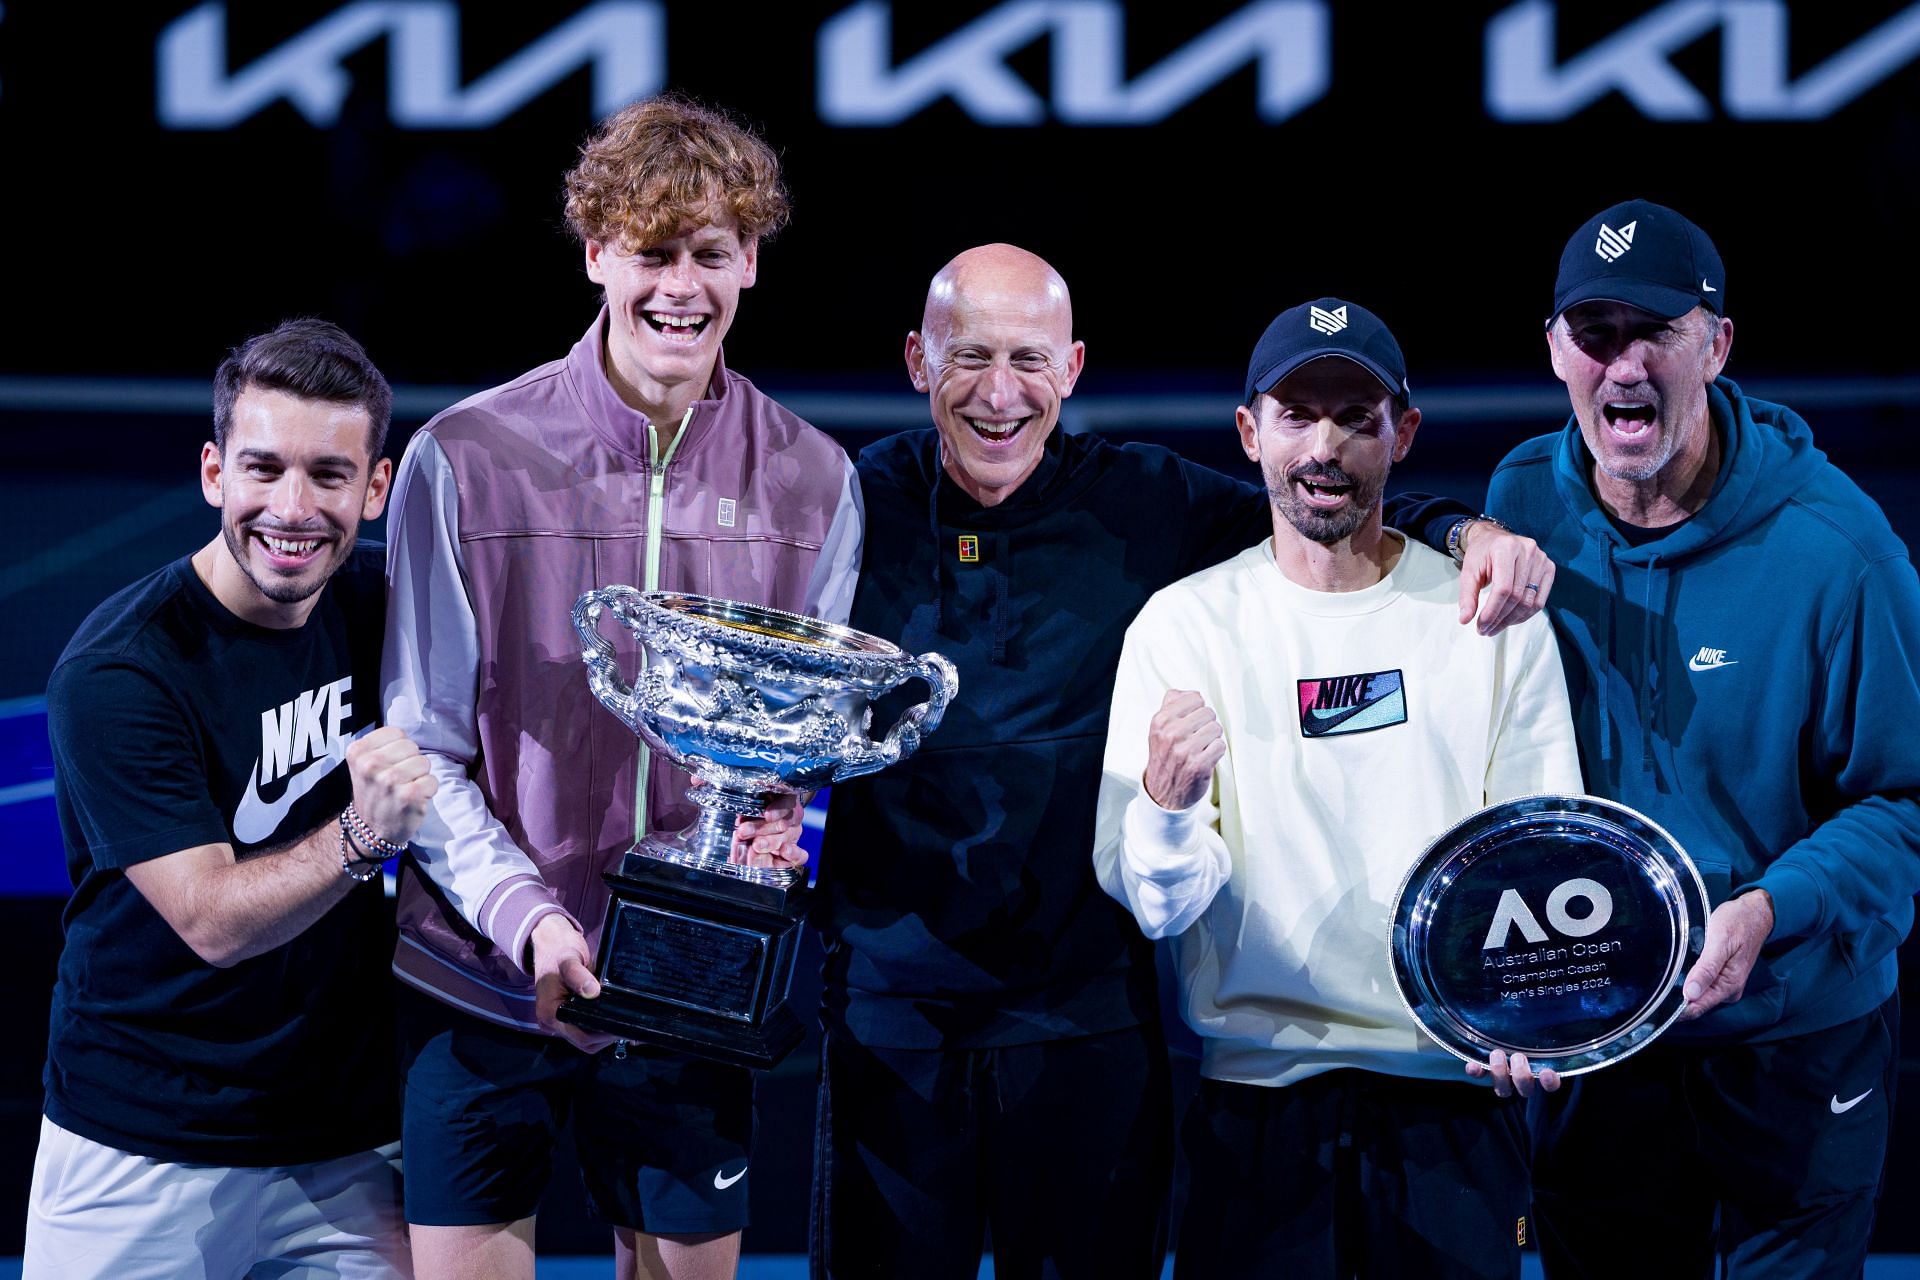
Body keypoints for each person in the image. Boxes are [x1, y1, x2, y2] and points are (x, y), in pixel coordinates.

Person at [808, 246, 1558, 1278]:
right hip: (890, 1021)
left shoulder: (1150, 503)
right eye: (967, 356)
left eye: (1029, 359)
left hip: (1087, 1031)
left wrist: (1462, 527)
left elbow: (1324, 507)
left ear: (1072, 367)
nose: (997, 393)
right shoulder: (838, 510)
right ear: (913, 359)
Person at [381, 95, 861, 1280]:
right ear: (597, 253)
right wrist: (526, 917)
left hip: (687, 997)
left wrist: (770, 829)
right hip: (484, 979)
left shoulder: (814, 482)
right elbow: (422, 744)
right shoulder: (465, 458)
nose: (679, 286)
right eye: (651, 251)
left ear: (750, 262)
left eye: (709, 253)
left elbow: (798, 758)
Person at [1093, 297, 1582, 1278]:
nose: (1324, 446)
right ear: (1248, 431)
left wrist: (1530, 1016)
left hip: (1457, 1099)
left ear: (1402, 434)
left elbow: (1541, 851)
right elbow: (1155, 904)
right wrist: (1170, 806)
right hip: (1257, 1109)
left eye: (1356, 417)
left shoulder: (1487, 613)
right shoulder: (1182, 626)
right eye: (1296, 415)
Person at [1486, 198, 1920, 1277]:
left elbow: (1905, 799)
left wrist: (1775, 906)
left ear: (1717, 344)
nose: (1622, 366)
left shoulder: (1838, 551)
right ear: (1554, 352)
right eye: (1595, 335)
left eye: (1655, 333)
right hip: (1598, 1036)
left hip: (1790, 1035)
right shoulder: (1520, 499)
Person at [25, 319, 429, 1279]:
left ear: (375, 488)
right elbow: (209, 920)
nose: (292, 508)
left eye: (329, 476)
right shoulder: (123, 666)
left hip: (349, 1150)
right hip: (139, 1145)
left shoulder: (391, 611)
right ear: (214, 474)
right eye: (263, 469)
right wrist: (364, 836)